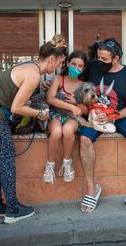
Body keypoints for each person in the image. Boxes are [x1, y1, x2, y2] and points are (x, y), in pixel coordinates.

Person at [0, 35, 68, 224]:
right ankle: (13, 209)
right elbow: (17, 108)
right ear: (51, 59)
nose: (59, 67)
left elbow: (17, 93)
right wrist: (40, 114)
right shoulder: (33, 74)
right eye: (60, 62)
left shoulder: (30, 66)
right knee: (5, 159)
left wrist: (40, 89)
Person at [79, 38, 126, 216]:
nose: (99, 62)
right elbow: (73, 78)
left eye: (104, 59)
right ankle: (91, 189)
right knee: (84, 139)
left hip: (119, 116)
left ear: (116, 58)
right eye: (98, 57)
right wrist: (53, 84)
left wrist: (112, 117)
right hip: (95, 115)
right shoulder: (93, 66)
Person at [43, 51, 88, 184]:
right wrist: (71, 106)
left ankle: (67, 162)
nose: (76, 68)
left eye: (80, 66)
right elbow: (50, 99)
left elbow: (84, 111)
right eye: (73, 64)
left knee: (68, 130)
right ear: (67, 63)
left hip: (72, 118)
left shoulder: (83, 85)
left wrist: (76, 103)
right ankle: (50, 165)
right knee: (56, 132)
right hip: (56, 114)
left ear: (83, 68)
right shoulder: (58, 79)